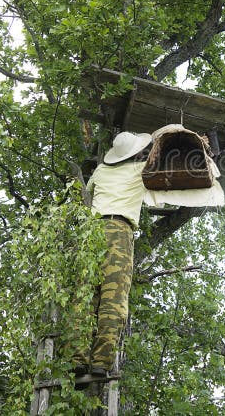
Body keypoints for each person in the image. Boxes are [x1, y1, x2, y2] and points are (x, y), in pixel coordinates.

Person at [72, 131, 152, 378]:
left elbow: (87, 194)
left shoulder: (100, 171)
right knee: (113, 296)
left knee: (84, 294)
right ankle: (100, 362)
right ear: (136, 153)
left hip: (92, 232)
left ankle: (77, 359)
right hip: (119, 231)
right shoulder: (141, 170)